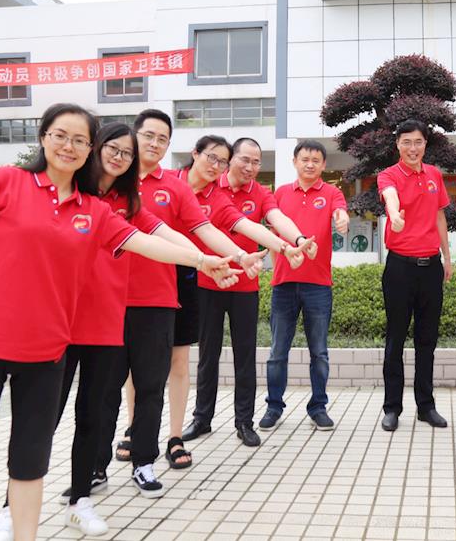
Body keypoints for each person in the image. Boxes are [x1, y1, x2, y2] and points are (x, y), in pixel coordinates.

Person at [0, 104, 238, 541]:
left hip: (61, 341)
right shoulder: (6, 181)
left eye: (80, 140)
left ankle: (68, 506)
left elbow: (149, 240)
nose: (71, 147)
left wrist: (204, 260)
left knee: (43, 448)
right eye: (63, 136)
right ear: (45, 137)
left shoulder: (102, 210)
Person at [103, 109, 280, 499]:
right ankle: (130, 433)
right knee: (121, 373)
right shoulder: (114, 182)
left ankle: (173, 437)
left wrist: (245, 254)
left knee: (171, 365)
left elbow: (212, 228)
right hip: (114, 291)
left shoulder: (183, 189)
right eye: (148, 136)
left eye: (162, 138)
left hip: (173, 284)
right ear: (194, 155)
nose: (215, 165)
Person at [184, 136, 314, 448]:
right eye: (245, 159)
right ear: (230, 160)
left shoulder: (261, 193)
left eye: (257, 162)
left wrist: (296, 241)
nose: (251, 167)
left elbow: (276, 219)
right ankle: (202, 418)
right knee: (207, 355)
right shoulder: (212, 188)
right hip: (208, 283)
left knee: (245, 356)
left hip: (246, 285)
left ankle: (244, 421)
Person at [259, 140, 349, 431]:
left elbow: (341, 213)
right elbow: (272, 232)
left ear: (324, 165)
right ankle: (273, 407)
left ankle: (318, 407)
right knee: (277, 352)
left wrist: (342, 220)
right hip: (283, 284)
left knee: (319, 352)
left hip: (318, 285)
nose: (310, 164)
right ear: (295, 162)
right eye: (305, 159)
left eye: (316, 160)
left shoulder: (332, 192)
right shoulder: (281, 193)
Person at [379, 119, 453, 432]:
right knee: (395, 339)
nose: (413, 148)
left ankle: (426, 406)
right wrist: (395, 215)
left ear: (425, 144)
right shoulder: (389, 175)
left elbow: (439, 216)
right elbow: (391, 197)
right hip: (400, 268)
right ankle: (392, 408)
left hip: (431, 267)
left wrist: (447, 257)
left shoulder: (434, 174)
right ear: (397, 144)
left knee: (427, 340)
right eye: (406, 142)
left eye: (418, 142)